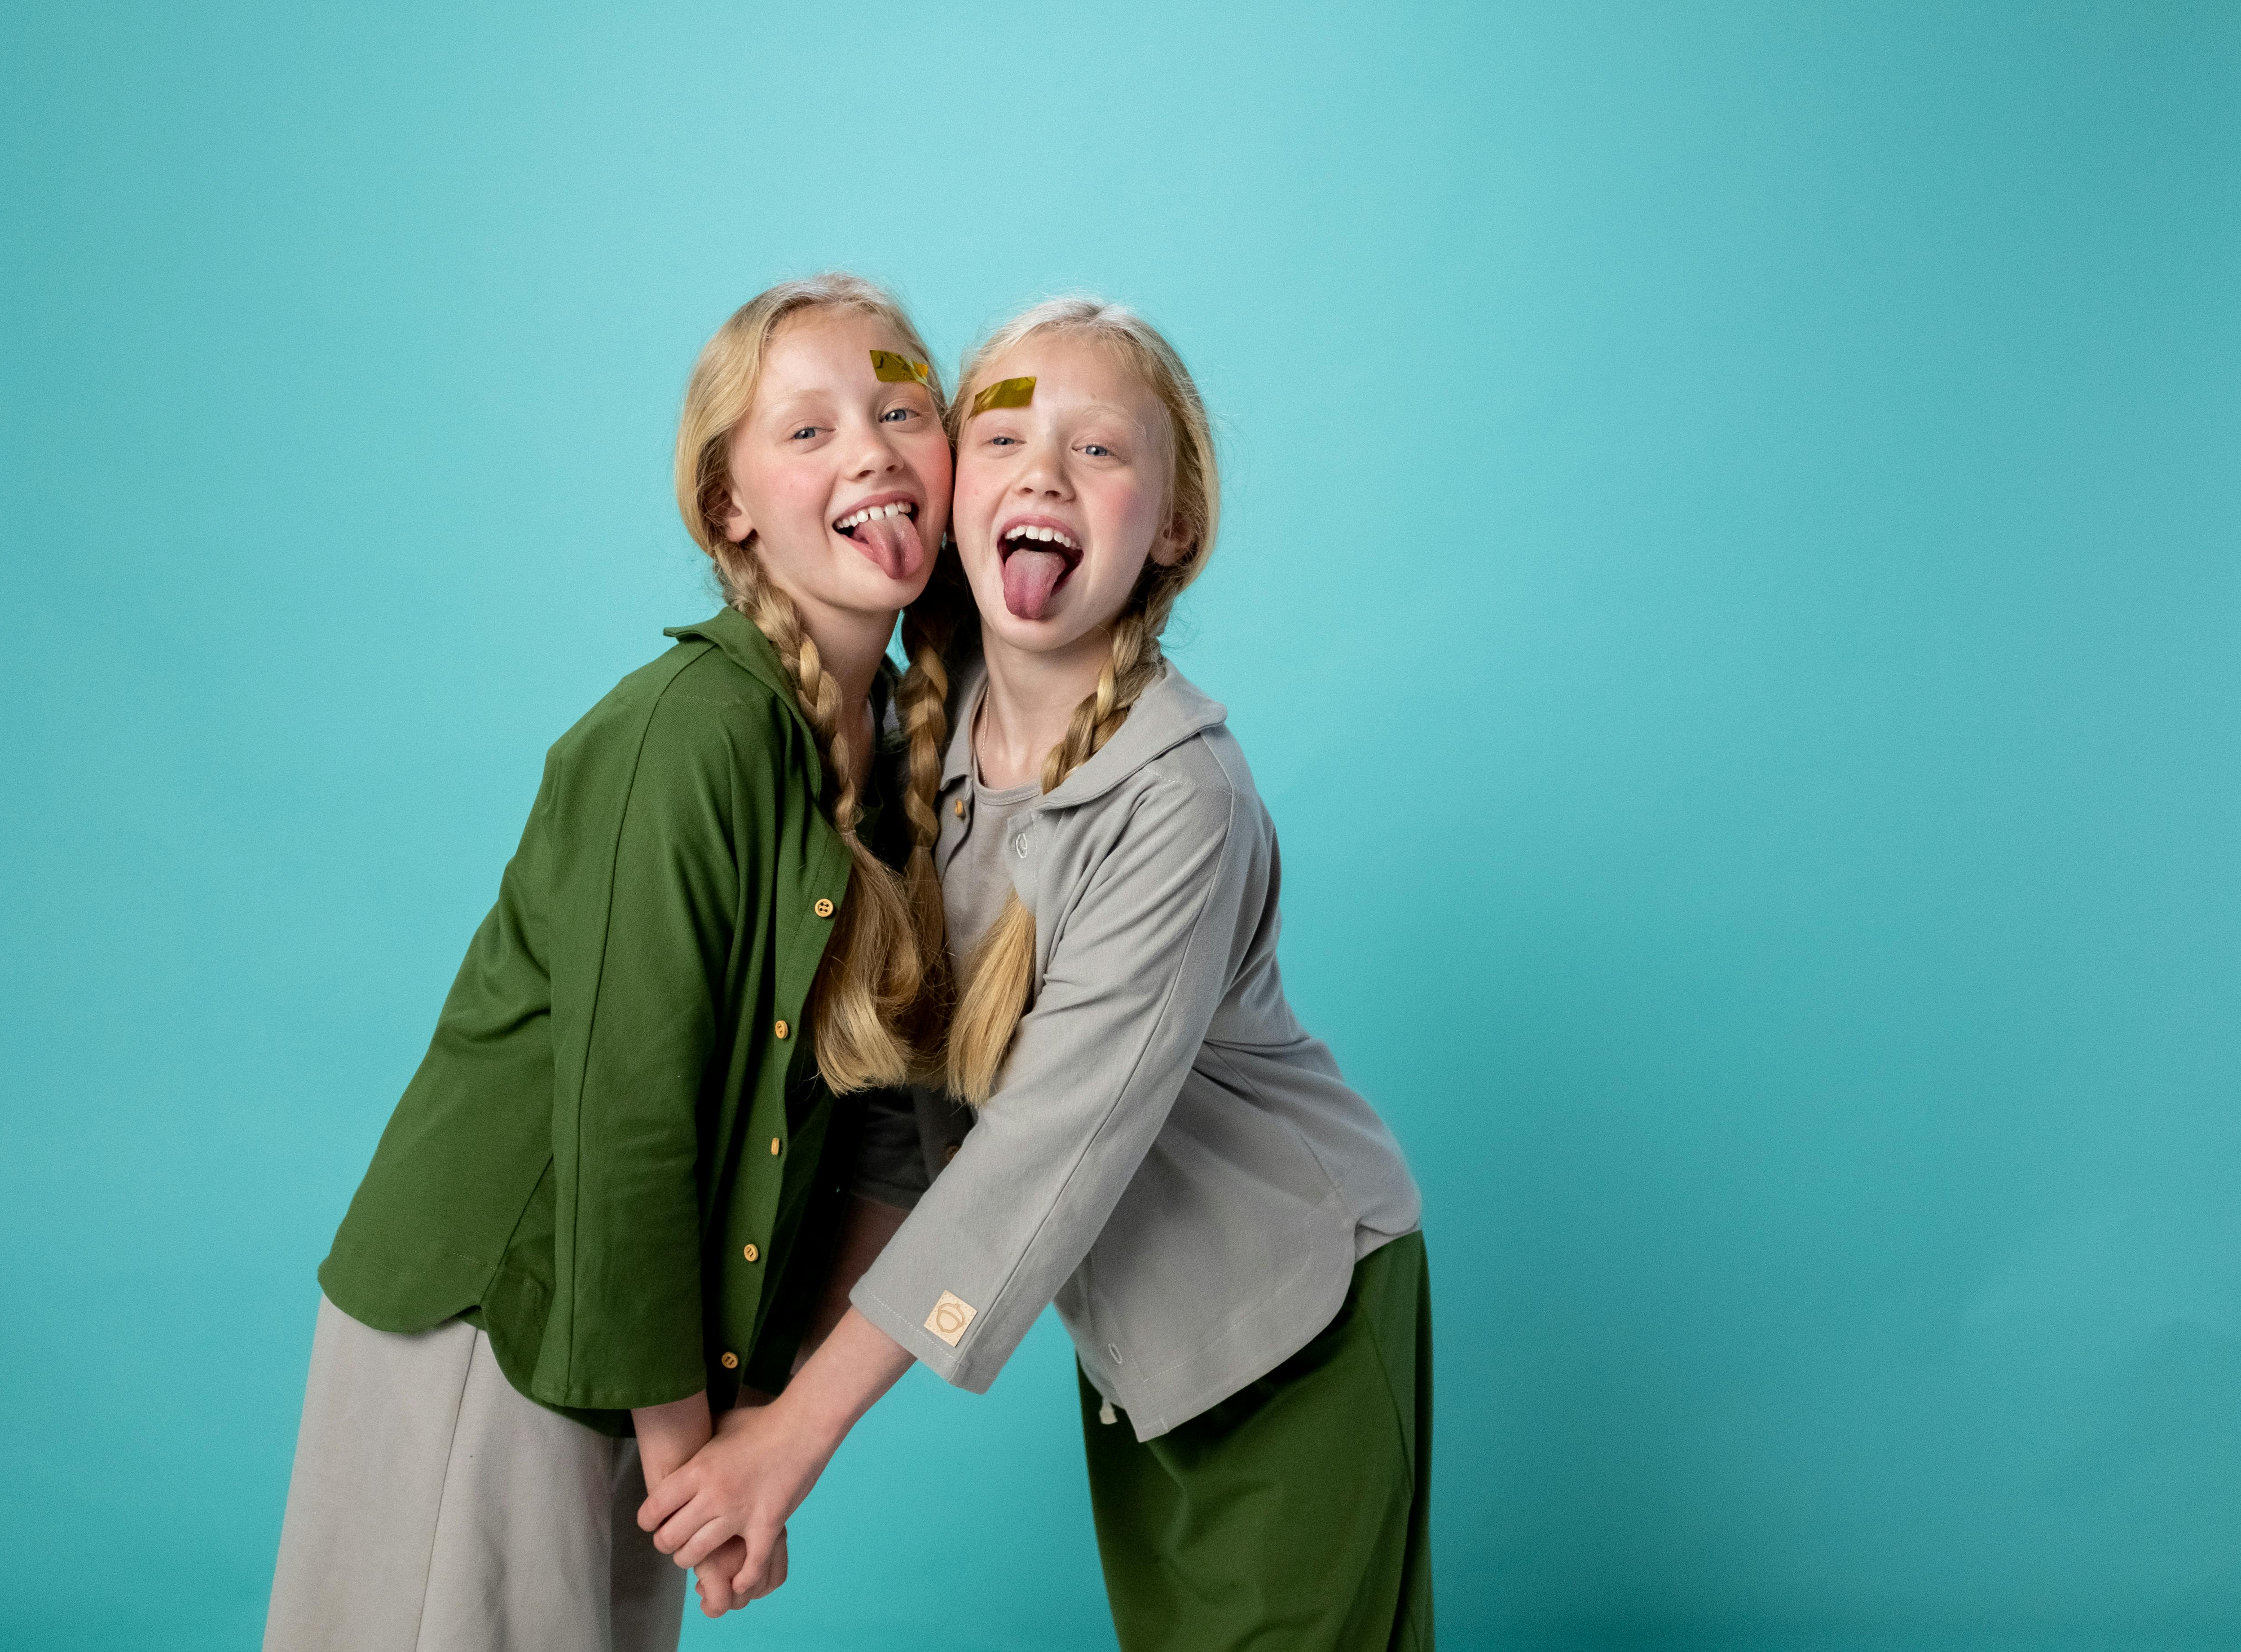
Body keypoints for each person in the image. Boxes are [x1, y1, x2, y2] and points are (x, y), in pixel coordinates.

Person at [637, 296, 1433, 1651]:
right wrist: (751, 1419)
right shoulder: (921, 757)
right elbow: (908, 1124)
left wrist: (798, 1441)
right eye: (999, 436)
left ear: (1172, 526)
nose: (1043, 472)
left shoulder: (1180, 797)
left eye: (1100, 450)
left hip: (1293, 1318)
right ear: (954, 493)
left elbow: (1041, 1156)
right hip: (1147, 1345)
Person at [263, 271, 954, 1649]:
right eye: (806, 430)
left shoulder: (904, 773)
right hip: (506, 1318)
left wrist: (764, 1421)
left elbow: (885, 1134)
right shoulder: (695, 731)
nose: (869, 449)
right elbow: (631, 1120)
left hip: (651, 1350)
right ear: (730, 509)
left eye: (898, 410)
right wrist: (699, 1456)